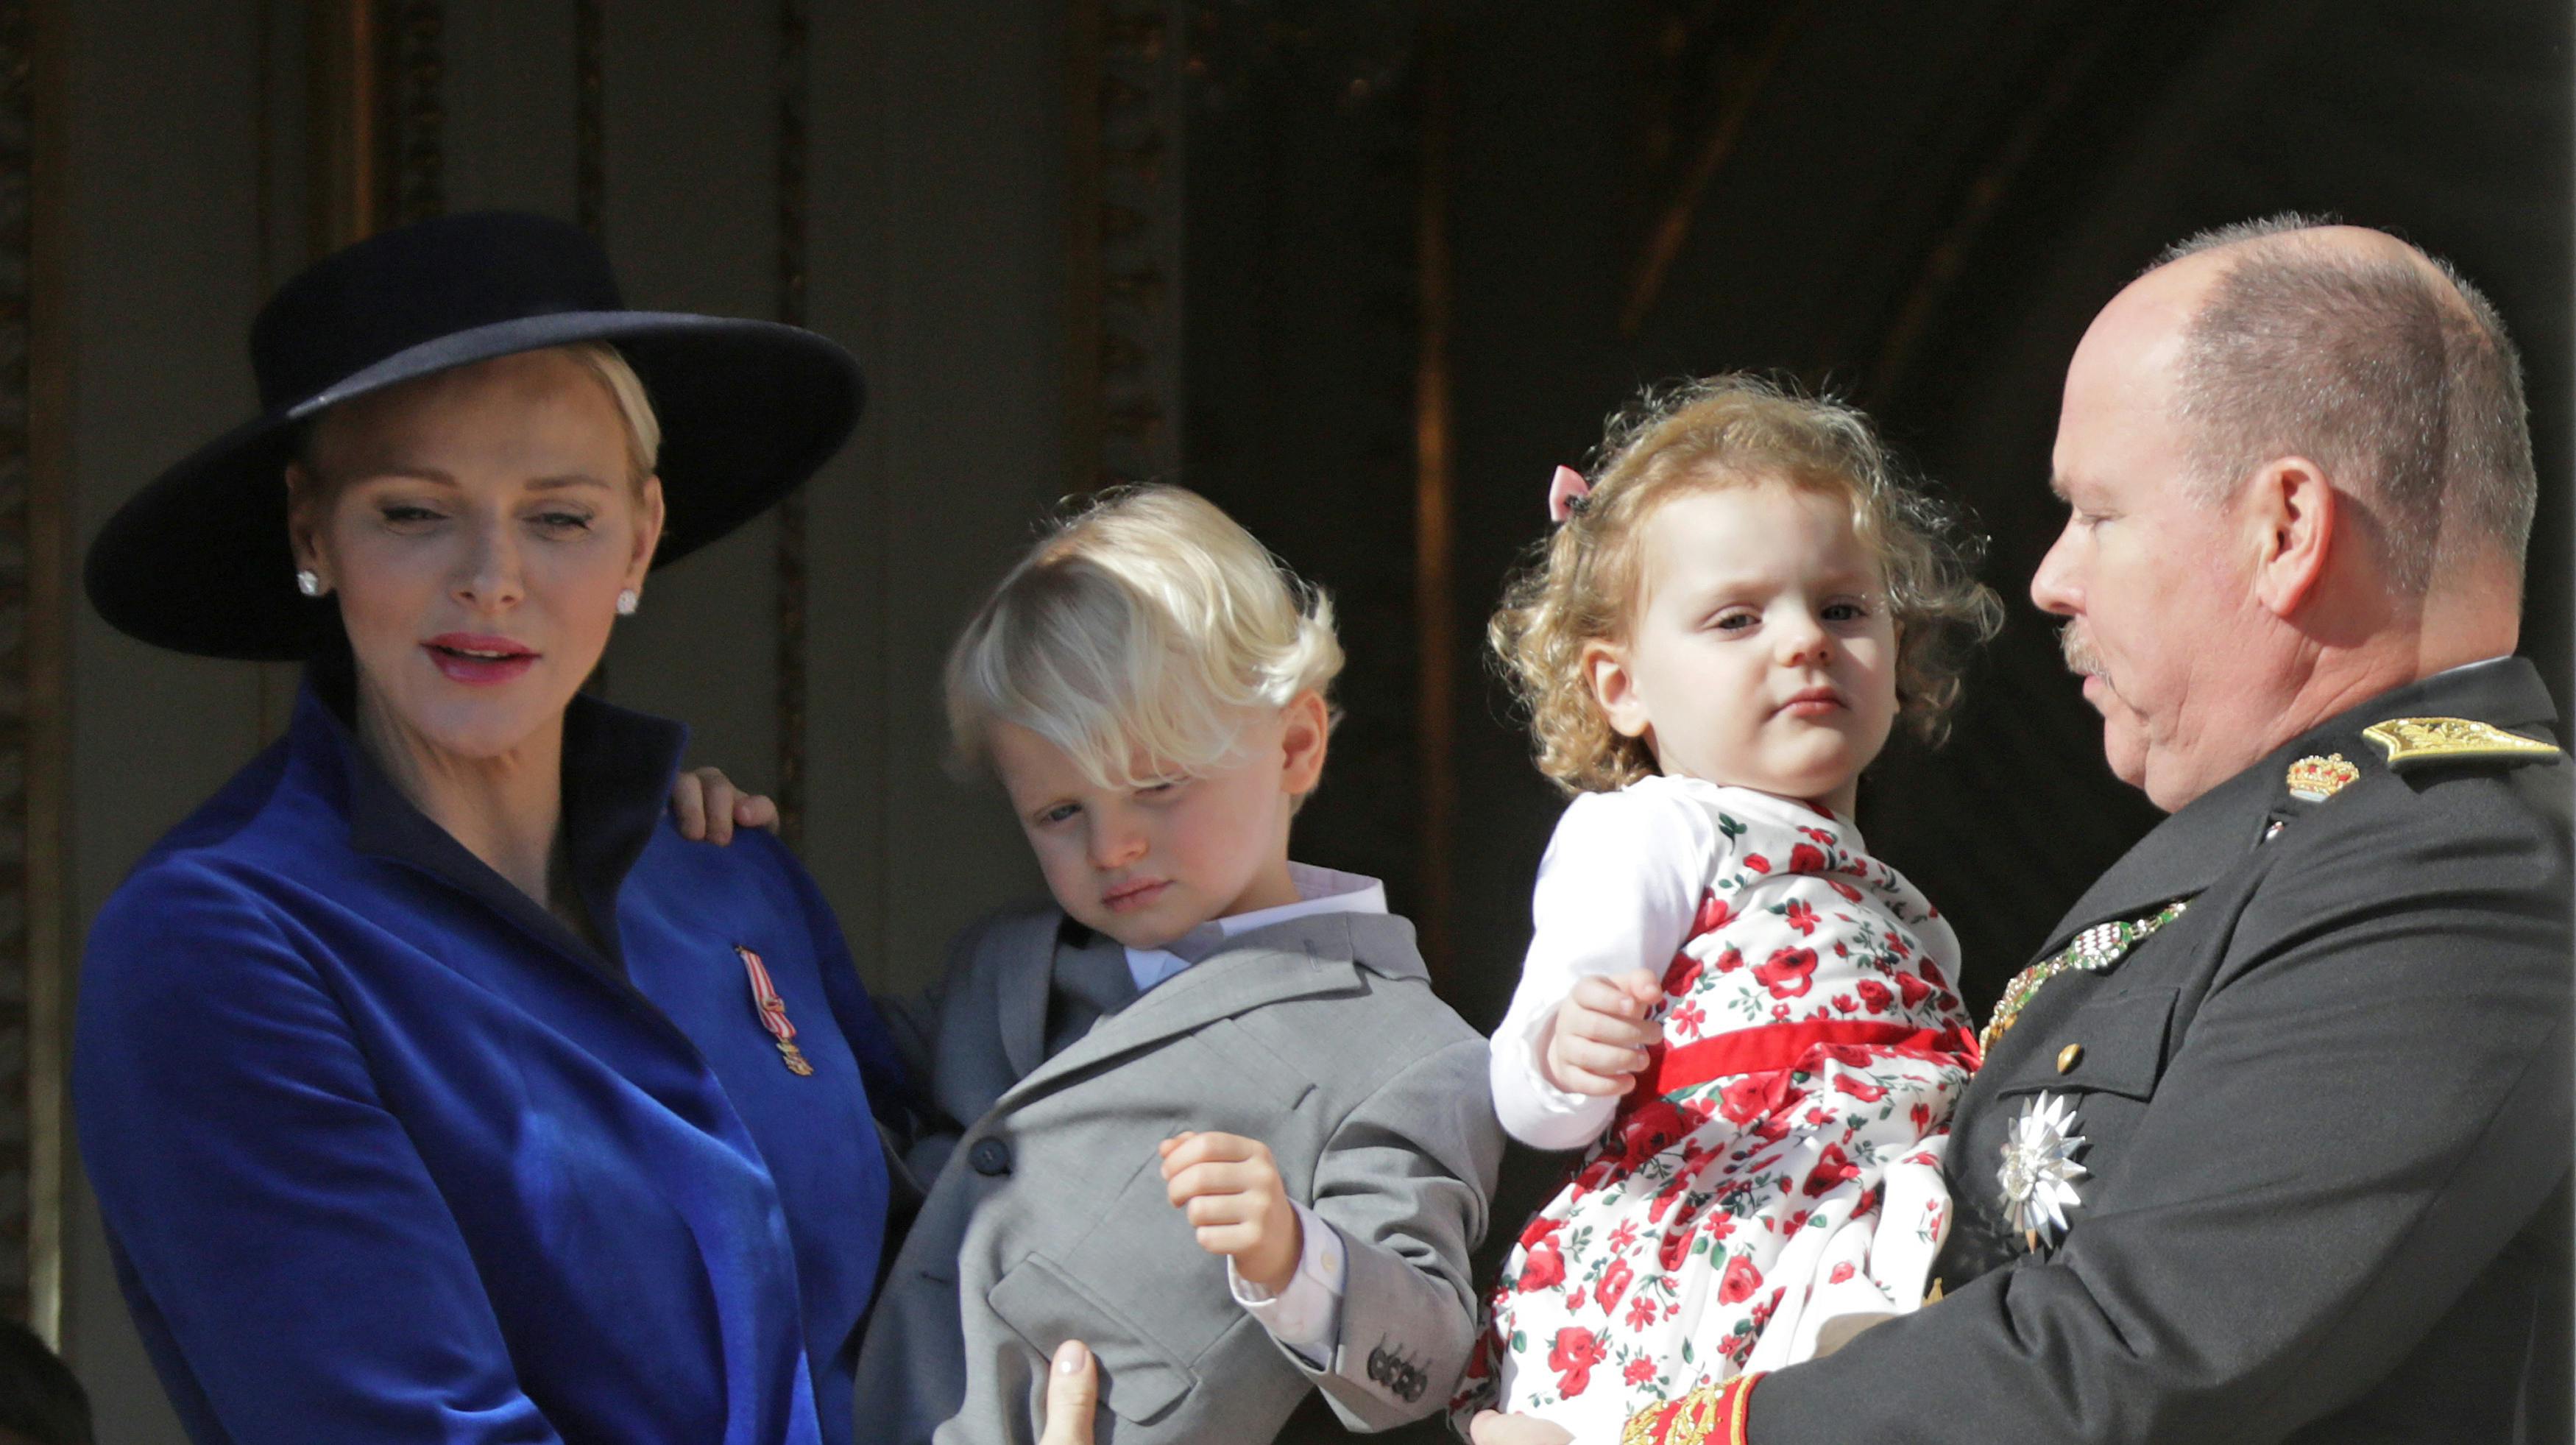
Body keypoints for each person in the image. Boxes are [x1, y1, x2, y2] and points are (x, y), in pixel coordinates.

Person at [1599, 219, 2572, 1441]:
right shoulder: (2320, 840)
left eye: (2098, 514)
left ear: (2286, 529)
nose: (2054, 578)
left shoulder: (2452, 860)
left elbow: (2141, 1348)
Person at [73, 211, 911, 1444]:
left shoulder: (733, 882)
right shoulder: (216, 938)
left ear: (644, 535)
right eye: (415, 512)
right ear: (314, 533)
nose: (492, 577)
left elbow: (941, 1266)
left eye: (560, 518)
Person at [852, 485, 1503, 1443]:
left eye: (1157, 786)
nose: (1111, 845)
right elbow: (807, 1072)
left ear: (1295, 746)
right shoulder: (1005, 961)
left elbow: (1428, 1350)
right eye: (1059, 813)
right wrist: (706, 861)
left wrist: (1296, 1255)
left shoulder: (1412, 1052)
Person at [1448, 378, 1998, 1442]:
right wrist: (1572, 1049)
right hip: (1739, 1206)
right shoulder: (1655, 829)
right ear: (1622, 687)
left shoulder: (1908, 913)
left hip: (1868, 1206)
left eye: (1842, 608)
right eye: (1737, 618)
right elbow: (1524, 1090)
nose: (1801, 641)